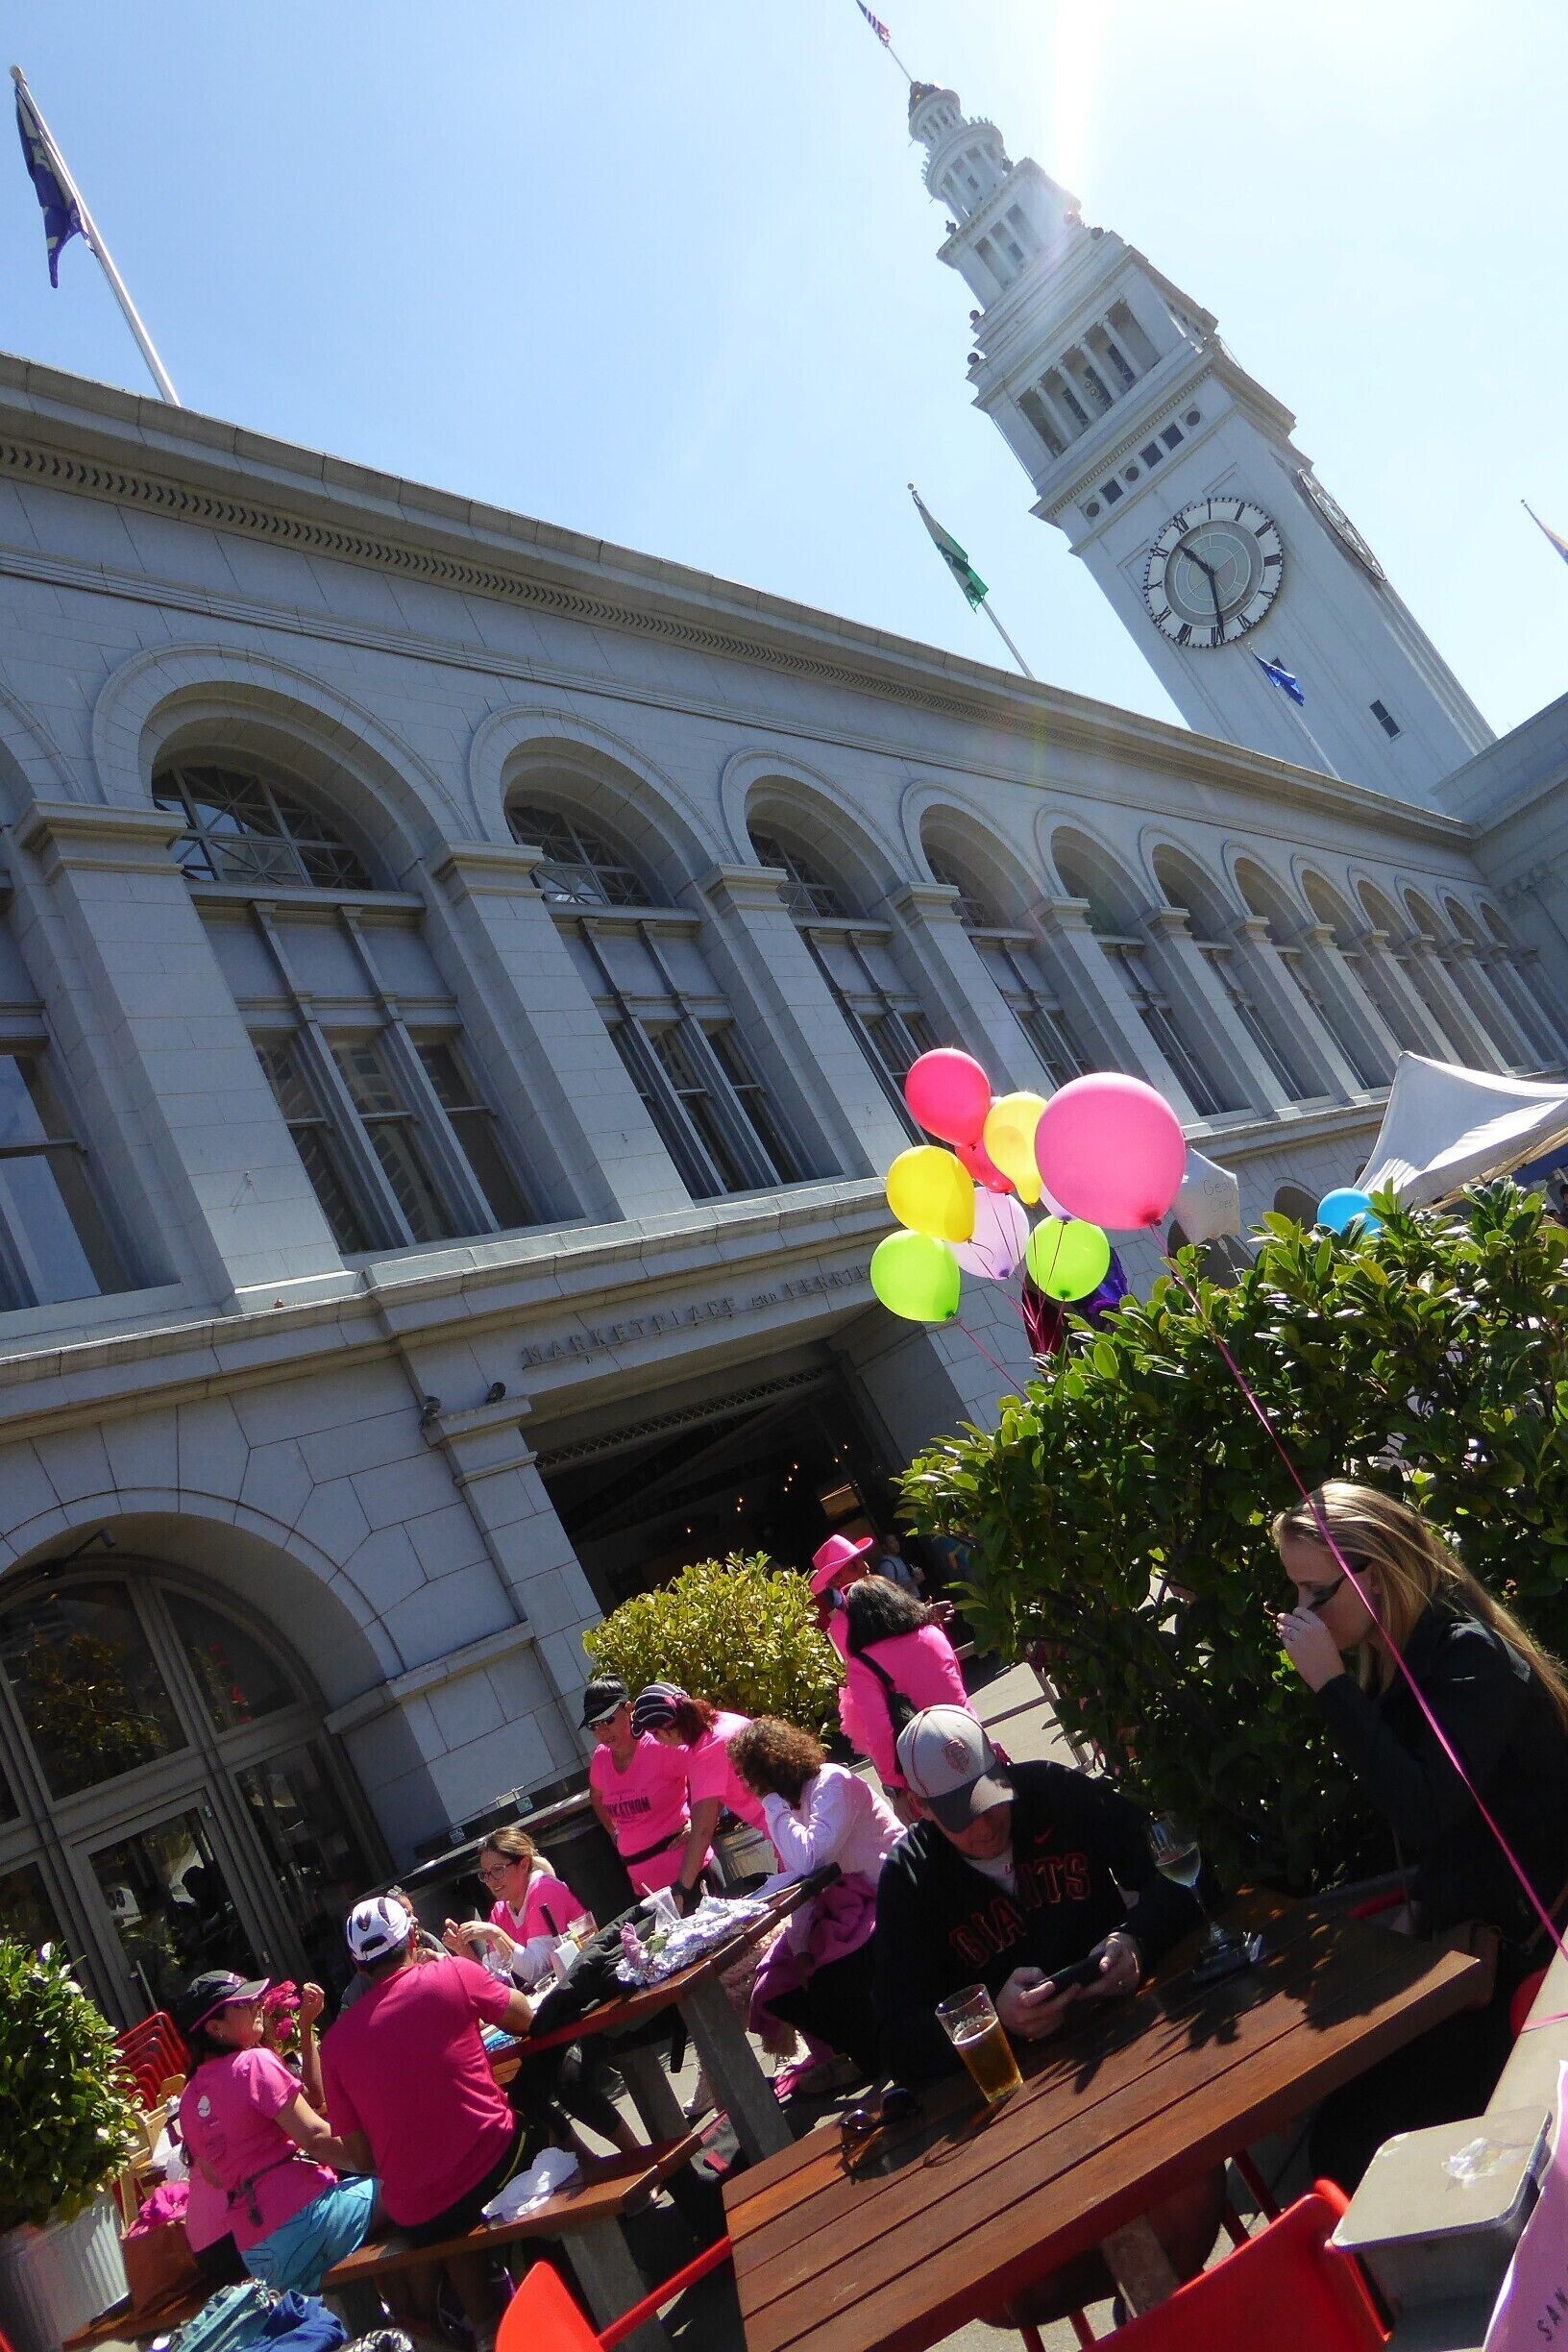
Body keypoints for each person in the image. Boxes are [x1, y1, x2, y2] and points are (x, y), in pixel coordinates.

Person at [871, 1707, 1222, 2326]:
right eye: (960, 1816)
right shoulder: (910, 1878)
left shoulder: (1053, 1791)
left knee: (1190, 2192)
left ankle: (1149, 2320)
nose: (985, 1823)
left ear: (999, 1761)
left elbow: (1184, 1870)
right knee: (1008, 2297)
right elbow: (894, 2037)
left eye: (988, 1797)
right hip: (1017, 2115)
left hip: (1126, 2057)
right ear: (919, 1810)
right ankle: (1149, 2311)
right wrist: (993, 2017)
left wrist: (1137, 1939)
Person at [1274, 1480, 1568, 2186]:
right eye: (1295, 1594)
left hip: (1535, 1959)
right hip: (1473, 1941)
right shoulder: (1408, 1650)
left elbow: (1425, 1808)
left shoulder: (1468, 1656)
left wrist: (1332, 1689)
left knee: (1357, 2145)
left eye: (1317, 1594)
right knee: (1340, 2123)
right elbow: (1440, 1827)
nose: (1302, 1615)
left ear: (1372, 1575)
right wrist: (1420, 1907)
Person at [319, 1895, 536, 2345]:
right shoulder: (450, 1973)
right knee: (543, 2117)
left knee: (444, 2215)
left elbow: (361, 2155)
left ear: (359, 1966)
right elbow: (525, 2017)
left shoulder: (334, 2047)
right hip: (496, 2163)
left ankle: (489, 2328)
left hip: (421, 2210)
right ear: (414, 1938)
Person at [174, 1970, 378, 2293]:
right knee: (400, 2188)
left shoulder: (188, 2100)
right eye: (243, 2003)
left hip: (257, 2253)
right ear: (214, 2028)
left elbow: (214, 2177)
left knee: (363, 2267)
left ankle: (403, 2325)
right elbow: (317, 2138)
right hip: (308, 2220)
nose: (257, 2004)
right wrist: (381, 2158)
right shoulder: (253, 2063)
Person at [443, 1828, 640, 2160]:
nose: (491, 1880)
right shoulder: (500, 1911)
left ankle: (636, 2156)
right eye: (485, 1873)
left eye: (498, 1870)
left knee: (570, 2083)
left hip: (590, 2001)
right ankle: (588, 2163)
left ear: (522, 1864)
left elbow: (536, 1968)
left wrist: (495, 1936)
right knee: (521, 2099)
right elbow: (500, 1984)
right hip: (550, 2014)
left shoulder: (543, 1890)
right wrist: (467, 1954)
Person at [732, 1716, 903, 2093]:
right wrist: (801, 1948)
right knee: (775, 1985)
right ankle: (858, 2049)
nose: (747, 1786)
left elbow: (811, 1859)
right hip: (842, 1905)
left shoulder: (832, 1783)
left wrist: (772, 1806)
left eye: (750, 1777)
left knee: (831, 1983)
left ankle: (877, 2053)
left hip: (887, 1892)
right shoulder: (794, 1806)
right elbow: (803, 1882)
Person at [840, 1574, 973, 1820]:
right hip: (971, 1740)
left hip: (924, 1769)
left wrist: (895, 1788)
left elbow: (880, 1731)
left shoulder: (862, 1665)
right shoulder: (932, 1633)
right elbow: (957, 1686)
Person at [629, 1683, 768, 1909]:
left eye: (654, 1734)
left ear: (668, 1729)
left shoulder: (705, 1752)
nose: (656, 1741)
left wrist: (681, 1889)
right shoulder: (724, 1720)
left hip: (785, 1829)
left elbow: (703, 1832)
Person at [582, 1674, 693, 1897]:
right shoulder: (601, 1758)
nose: (602, 1732)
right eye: (594, 1726)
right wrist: (614, 1833)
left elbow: (708, 1771)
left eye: (608, 1721)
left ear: (629, 1709)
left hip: (689, 1874)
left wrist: (701, 1822)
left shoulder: (660, 1744)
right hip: (646, 1889)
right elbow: (596, 1795)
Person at [875, 1532, 925, 1596]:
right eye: (891, 1542)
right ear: (884, 1547)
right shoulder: (887, 1565)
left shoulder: (897, 1558)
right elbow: (892, 1591)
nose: (896, 1544)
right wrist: (915, 1581)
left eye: (895, 1540)